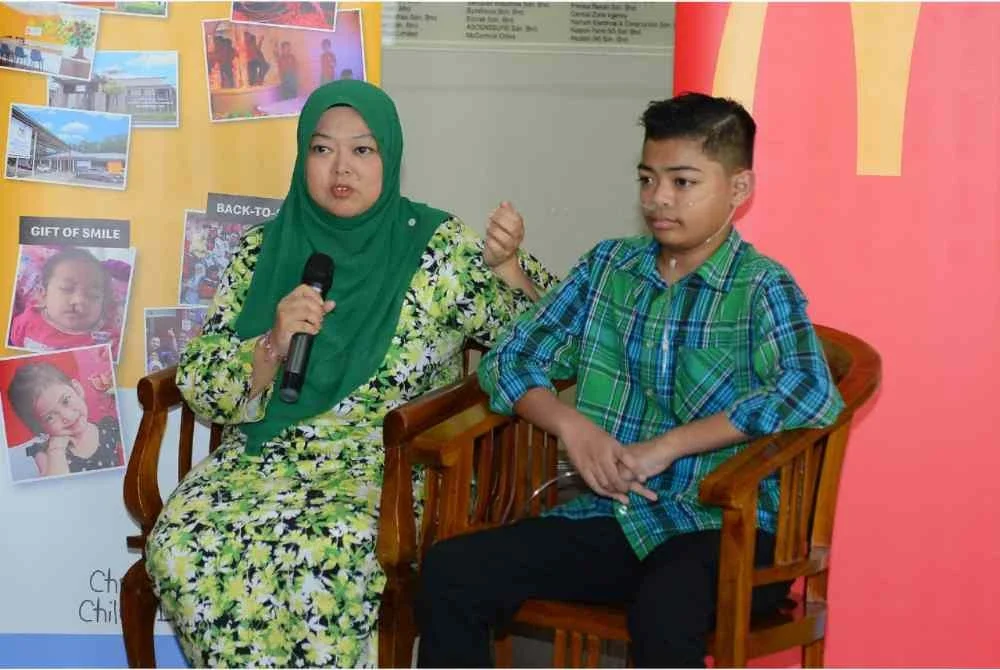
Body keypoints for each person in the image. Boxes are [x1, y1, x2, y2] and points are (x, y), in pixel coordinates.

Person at [415, 92, 846, 668]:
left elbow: (809, 390)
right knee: (453, 570)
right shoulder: (609, 269)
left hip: (732, 532)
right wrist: (572, 427)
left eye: (683, 182)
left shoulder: (762, 286)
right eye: (648, 179)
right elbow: (509, 361)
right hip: (614, 518)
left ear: (738, 190)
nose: (658, 199)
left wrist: (668, 446)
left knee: (666, 601)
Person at [145, 80, 557, 668]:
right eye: (322, 149)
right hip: (265, 458)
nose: (342, 168)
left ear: (390, 158)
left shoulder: (440, 249)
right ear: (301, 157)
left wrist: (510, 270)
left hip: (389, 466)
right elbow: (205, 386)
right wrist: (271, 343)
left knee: (330, 554)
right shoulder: (262, 249)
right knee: (185, 543)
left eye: (363, 150)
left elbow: (552, 343)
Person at [7, 361, 123, 478]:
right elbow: (55, 486)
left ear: (77, 390)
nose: (67, 416)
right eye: (50, 418)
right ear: (40, 427)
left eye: (66, 401)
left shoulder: (109, 427)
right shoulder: (45, 453)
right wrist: (57, 450)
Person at [9, 247, 118, 354]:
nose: (79, 300)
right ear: (43, 295)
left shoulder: (105, 337)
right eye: (67, 288)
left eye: (92, 295)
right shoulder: (27, 321)